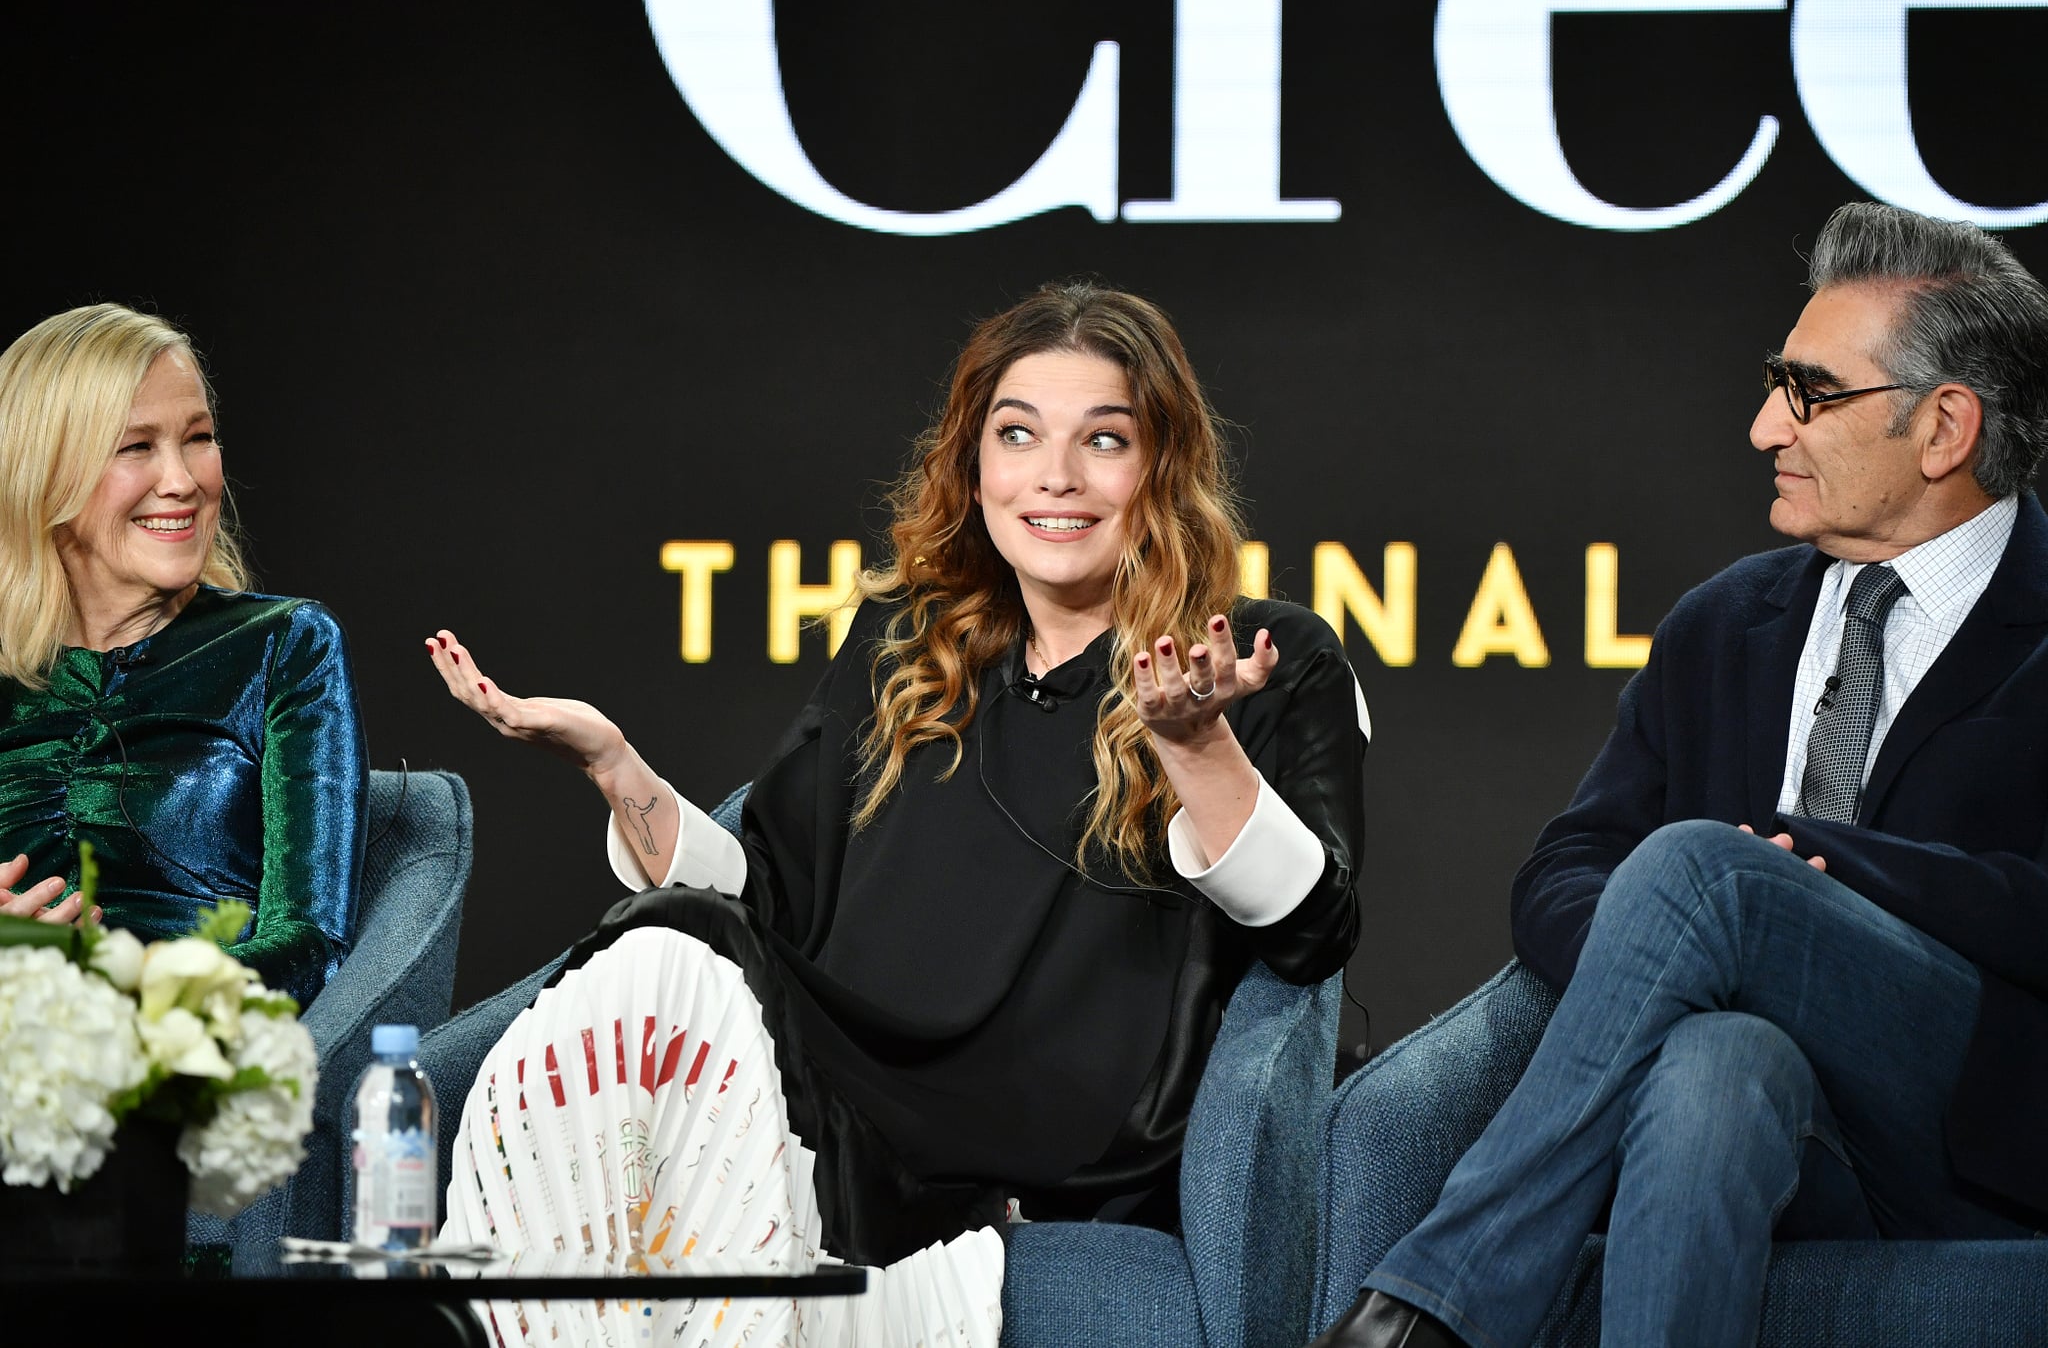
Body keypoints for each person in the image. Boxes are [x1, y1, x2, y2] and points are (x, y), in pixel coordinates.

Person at [427, 282, 1367, 1342]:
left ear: (1163, 467)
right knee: (658, 952)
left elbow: (1312, 932)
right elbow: (764, 893)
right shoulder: (904, 640)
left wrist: (1196, 749)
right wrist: (617, 769)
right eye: (1017, 436)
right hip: (840, 1096)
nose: (1054, 475)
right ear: (974, 465)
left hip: (1056, 1135)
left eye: (1103, 440)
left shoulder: (1255, 658)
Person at [1312, 203, 2048, 1348]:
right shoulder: (1722, 624)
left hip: (1972, 1132)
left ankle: (1430, 1302)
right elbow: (1565, 868)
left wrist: (1805, 881)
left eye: (1808, 393)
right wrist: (1688, 949)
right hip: (1771, 1126)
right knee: (1714, 1057)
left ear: (1943, 426)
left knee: (1709, 869)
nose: (1764, 426)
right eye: (1773, 386)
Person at [0, 304, 367, 1008]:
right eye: (136, 446)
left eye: (198, 438)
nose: (183, 479)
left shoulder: (284, 645)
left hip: (188, 1069)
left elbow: (314, 945)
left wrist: (129, 993)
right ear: (44, 476)